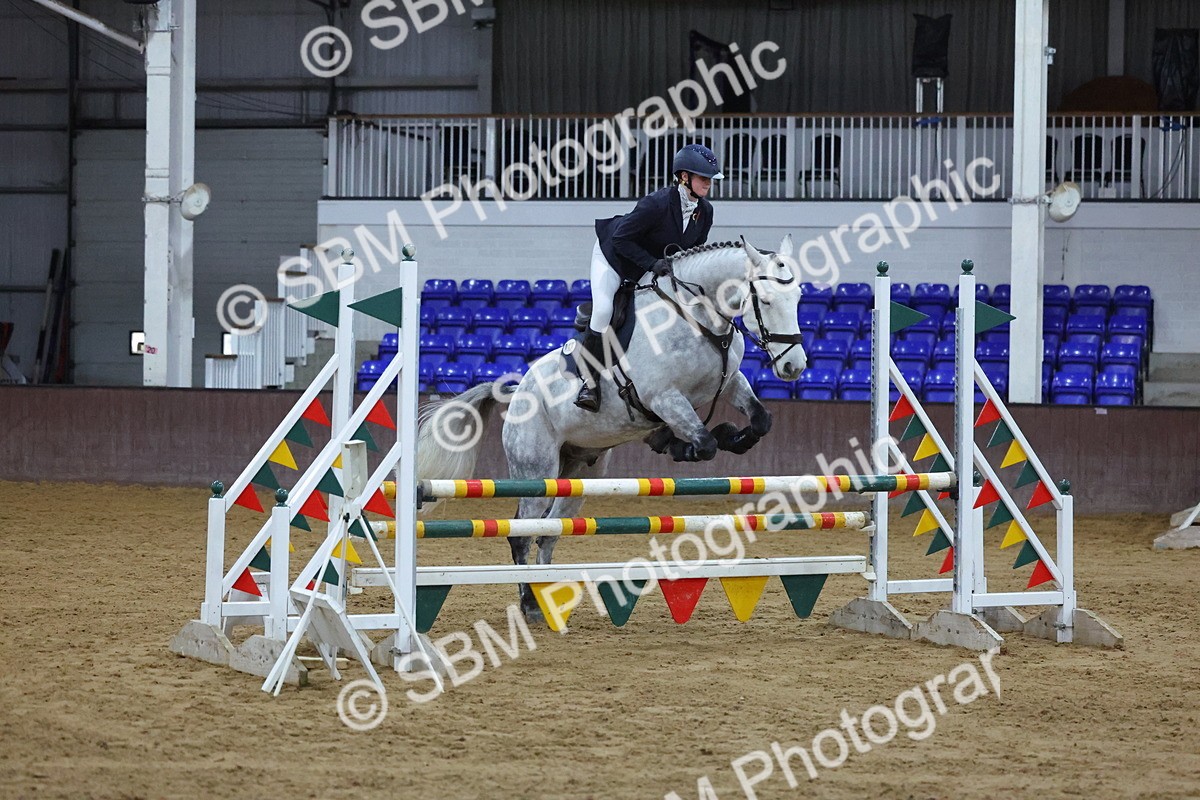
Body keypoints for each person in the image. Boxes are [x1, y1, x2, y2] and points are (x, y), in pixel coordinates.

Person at [575, 143, 724, 412]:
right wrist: (651, 264)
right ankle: (589, 383)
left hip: (651, 264)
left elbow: (693, 252)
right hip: (613, 257)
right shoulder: (655, 204)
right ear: (683, 177)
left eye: (710, 179)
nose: (708, 184)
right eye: (704, 178)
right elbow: (621, 239)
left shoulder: (706, 212)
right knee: (604, 310)